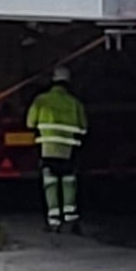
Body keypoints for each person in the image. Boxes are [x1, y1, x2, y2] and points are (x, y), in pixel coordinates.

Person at [28, 65, 88, 234]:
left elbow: (30, 123)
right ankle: (71, 220)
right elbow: (83, 129)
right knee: (69, 183)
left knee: (50, 184)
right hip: (69, 151)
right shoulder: (75, 103)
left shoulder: (41, 101)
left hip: (47, 150)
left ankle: (53, 221)